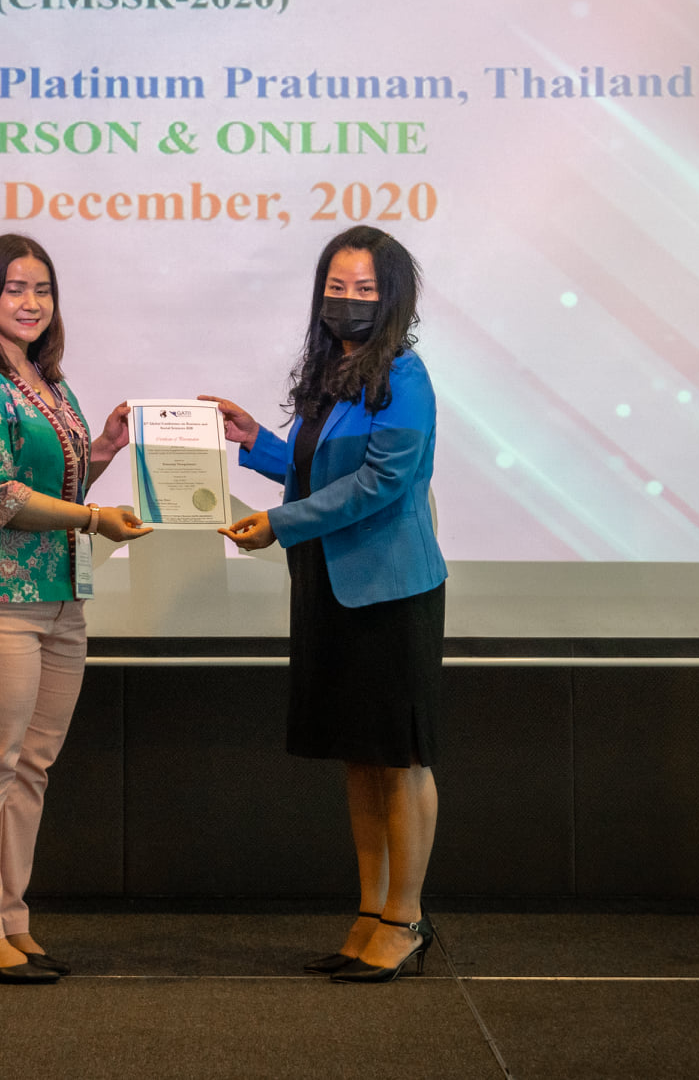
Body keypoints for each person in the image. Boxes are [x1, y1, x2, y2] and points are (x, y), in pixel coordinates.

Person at [208, 225, 447, 984]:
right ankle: (370, 912)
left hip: (390, 590)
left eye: (364, 290)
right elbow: (319, 471)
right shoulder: (332, 373)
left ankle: (406, 919)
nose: (347, 302)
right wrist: (257, 441)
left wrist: (279, 523)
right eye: (336, 288)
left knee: (398, 759)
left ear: (392, 297)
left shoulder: (404, 375)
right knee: (358, 758)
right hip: (328, 585)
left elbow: (381, 482)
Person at [0, 233, 151, 985]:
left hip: (58, 598)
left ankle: (9, 917)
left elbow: (58, 482)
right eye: (15, 288)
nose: (30, 303)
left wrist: (103, 450)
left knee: (30, 769)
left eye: (42, 289)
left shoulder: (50, 385)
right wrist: (92, 519)